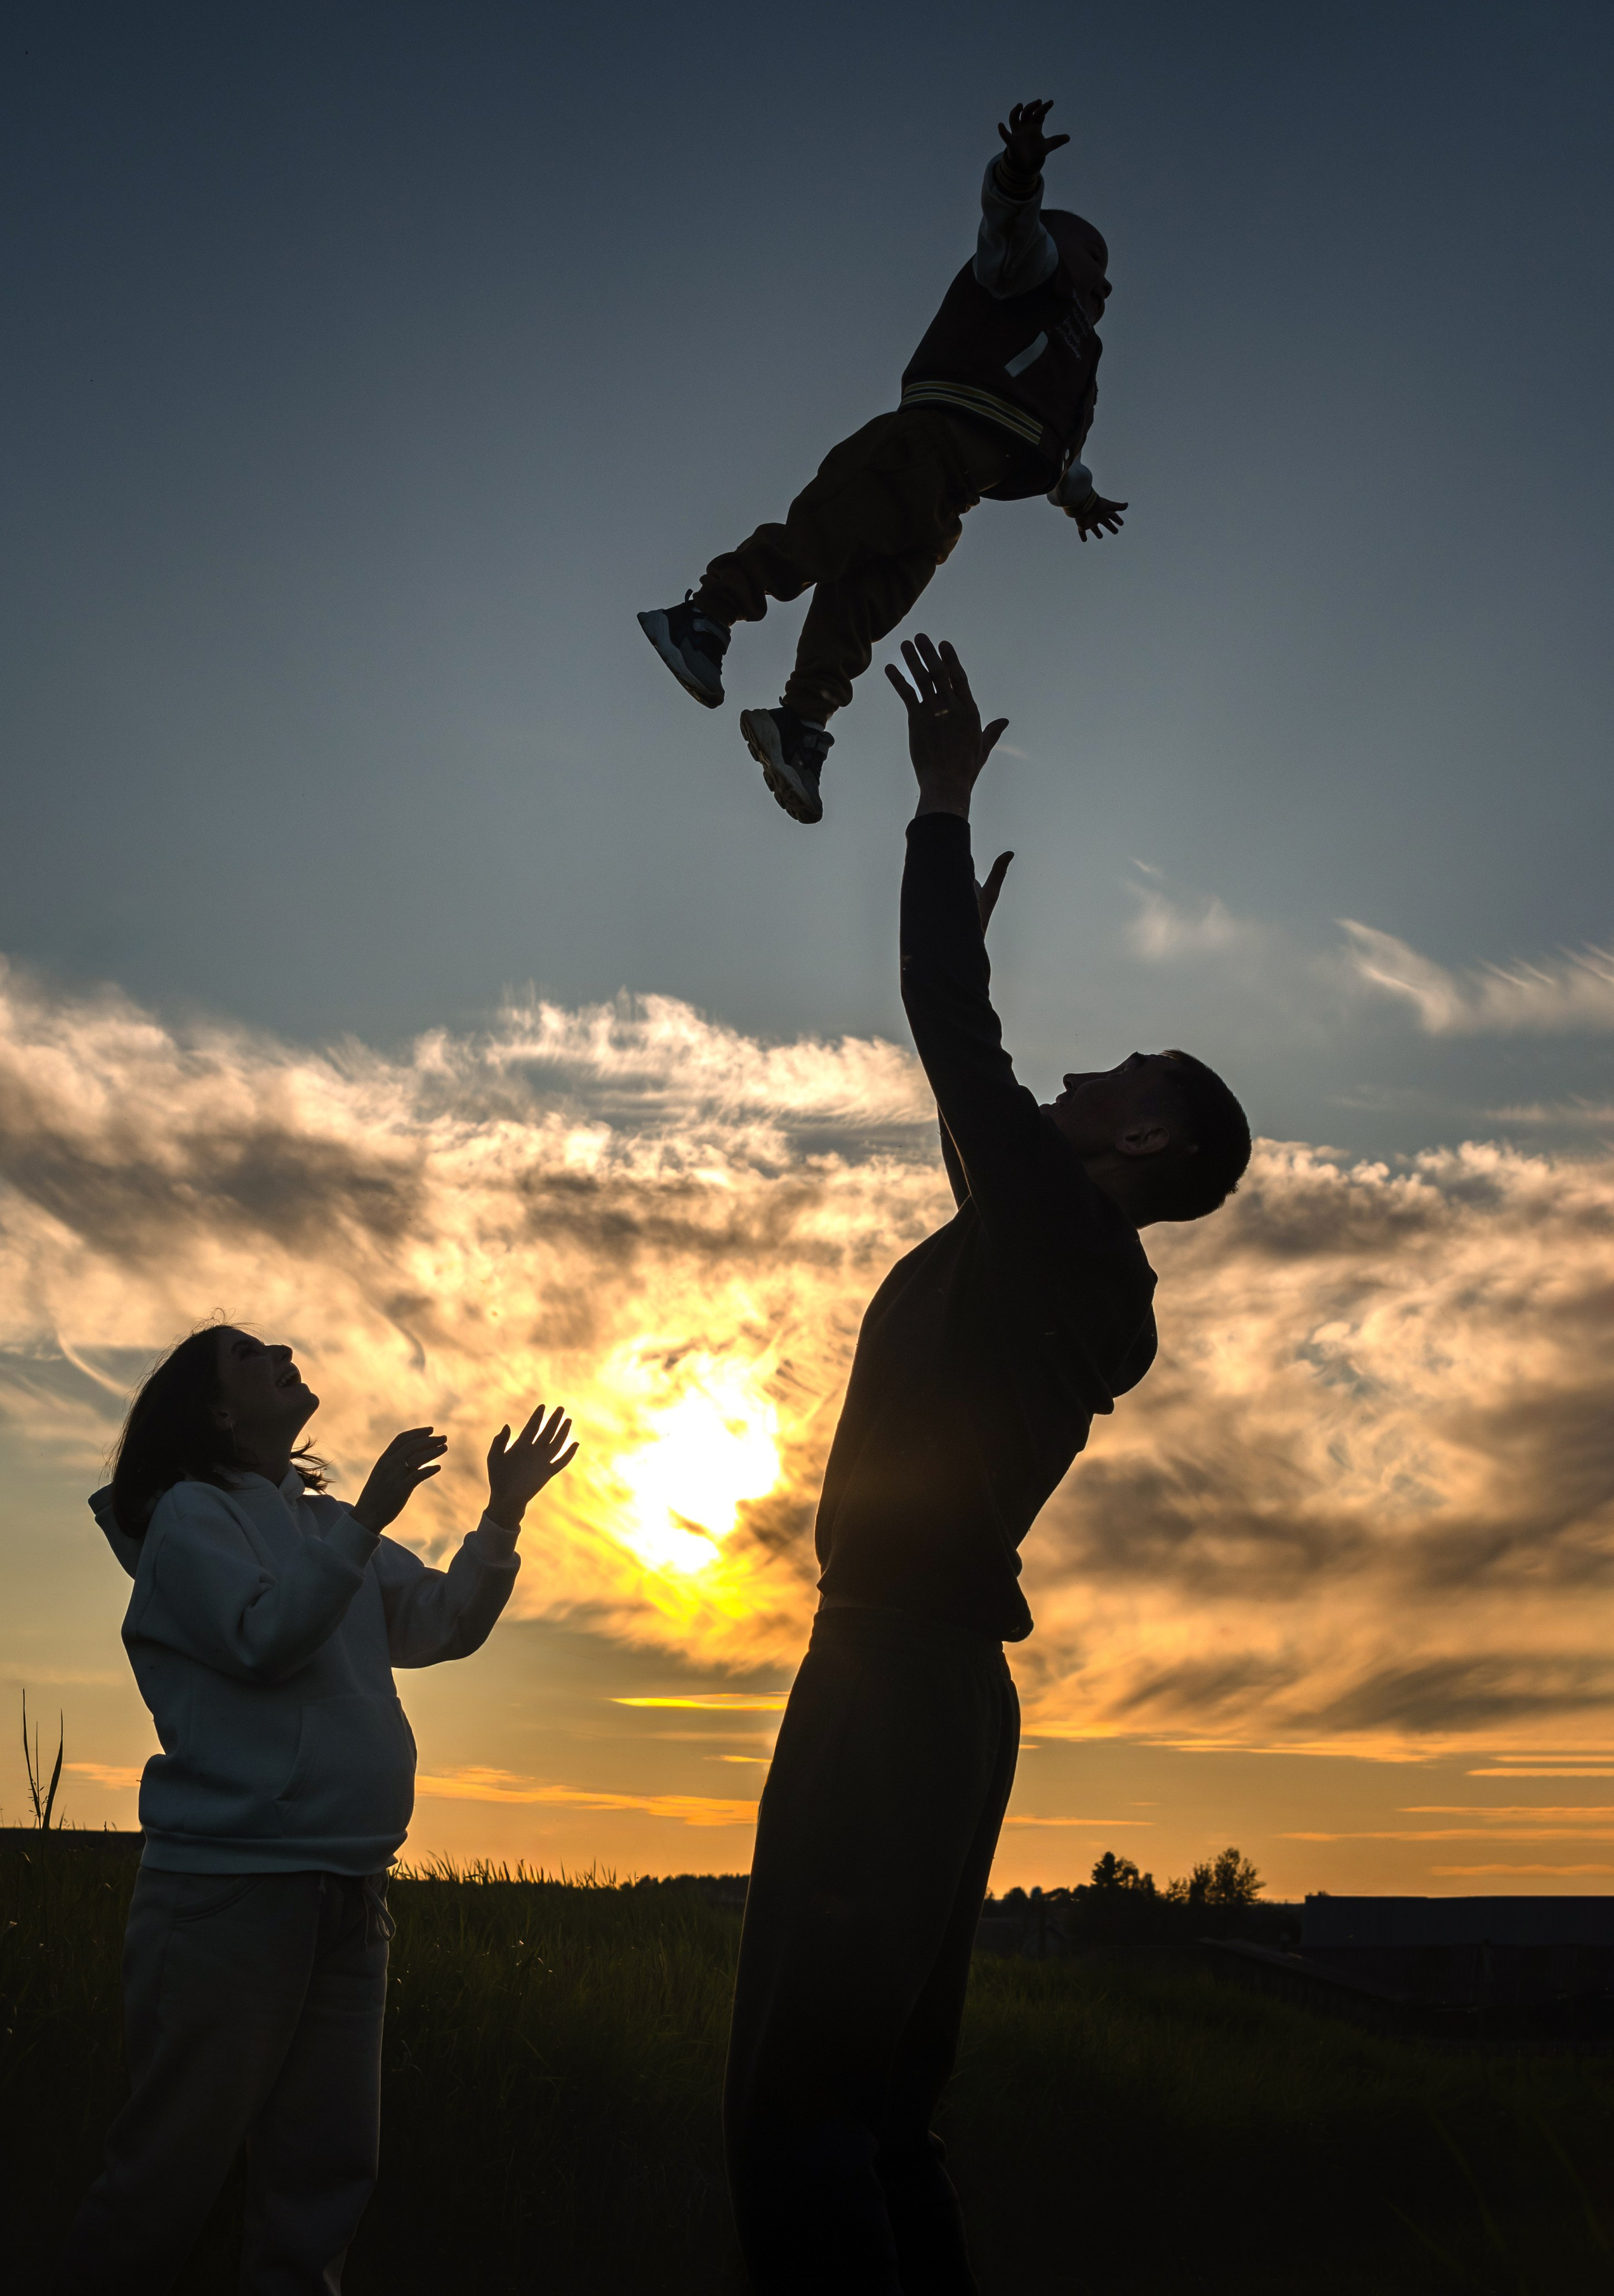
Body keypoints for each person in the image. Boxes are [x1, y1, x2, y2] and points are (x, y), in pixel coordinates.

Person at [722, 635, 1251, 2293]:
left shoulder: (1075, 1259)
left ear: (1147, 1141)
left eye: (1122, 1075)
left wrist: (939, 813)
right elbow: (976, 1113)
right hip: (932, 1685)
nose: (1087, 1072)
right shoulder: (1076, 1272)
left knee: (796, 2109)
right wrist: (956, 965)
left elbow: (958, 1046)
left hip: (897, 1681)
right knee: (875, 2114)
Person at [54, 1324, 578, 2295]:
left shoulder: (320, 1522)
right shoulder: (189, 1520)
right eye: (251, 1353)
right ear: (216, 1411)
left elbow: (441, 1623)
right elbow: (266, 1637)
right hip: (229, 1899)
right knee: (166, 2182)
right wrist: (367, 1514)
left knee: (322, 2183)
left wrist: (501, 1516)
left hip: (350, 1890)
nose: (282, 1346)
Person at [638, 98, 1126, 828]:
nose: (1104, 282)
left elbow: (1060, 456)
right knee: (820, 538)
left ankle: (799, 725)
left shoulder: (1079, 362)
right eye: (1096, 257)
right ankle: (704, 616)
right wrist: (1020, 173)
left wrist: (1080, 498)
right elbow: (1008, 225)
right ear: (1057, 247)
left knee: (860, 610)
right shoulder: (1024, 275)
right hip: (921, 448)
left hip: (952, 505)